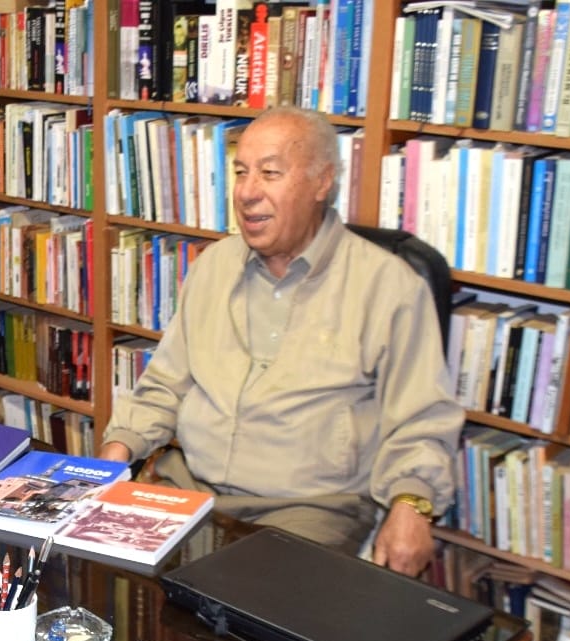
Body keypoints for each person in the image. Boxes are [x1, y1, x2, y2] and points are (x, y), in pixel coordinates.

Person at [97, 106, 462, 576]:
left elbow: (421, 418)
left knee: (247, 604)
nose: (247, 192)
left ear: (321, 182)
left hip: (307, 510)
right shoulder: (213, 266)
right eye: (241, 172)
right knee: (100, 579)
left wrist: (412, 503)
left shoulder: (388, 286)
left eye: (269, 173)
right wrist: (116, 453)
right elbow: (165, 385)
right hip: (188, 488)